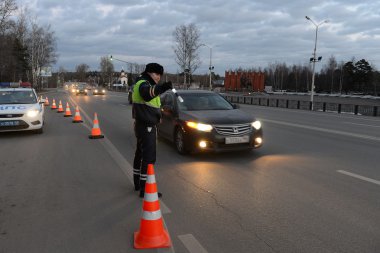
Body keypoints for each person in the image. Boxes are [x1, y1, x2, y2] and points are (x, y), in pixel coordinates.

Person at [132, 63, 172, 198]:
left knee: (140, 154)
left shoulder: (141, 82)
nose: (159, 78)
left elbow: (151, 105)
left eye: (160, 75)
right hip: (146, 126)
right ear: (150, 73)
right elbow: (147, 95)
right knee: (149, 158)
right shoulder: (144, 84)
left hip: (142, 124)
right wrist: (162, 88)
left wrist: (158, 116)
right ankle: (145, 189)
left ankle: (137, 183)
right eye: (157, 74)